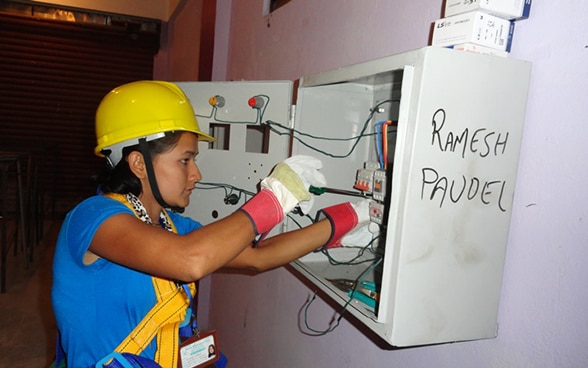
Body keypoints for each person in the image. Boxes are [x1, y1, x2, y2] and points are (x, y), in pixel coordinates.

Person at [51, 80, 368, 367]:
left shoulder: (172, 227)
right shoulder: (91, 218)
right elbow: (190, 261)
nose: (196, 174)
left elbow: (256, 256)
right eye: (185, 160)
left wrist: (346, 222)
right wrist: (275, 199)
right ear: (138, 163)